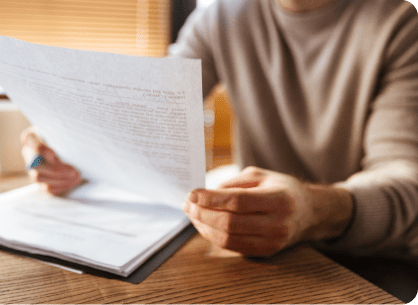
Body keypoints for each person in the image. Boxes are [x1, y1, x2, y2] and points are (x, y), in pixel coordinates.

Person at [22, 0, 418, 262]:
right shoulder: (222, 17)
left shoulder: (401, 24)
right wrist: (65, 135)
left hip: (372, 262)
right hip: (260, 259)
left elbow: (406, 182)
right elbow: (149, 107)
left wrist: (314, 210)